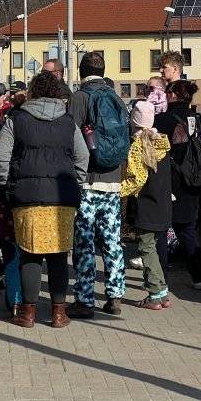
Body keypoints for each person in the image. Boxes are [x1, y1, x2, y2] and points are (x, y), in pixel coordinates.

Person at [0, 72, 88, 329]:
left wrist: (6, 185)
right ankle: (58, 314)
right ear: (59, 93)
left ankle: (28, 314)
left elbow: (1, 157)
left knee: (30, 255)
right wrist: (76, 182)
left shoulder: (17, 118)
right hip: (63, 197)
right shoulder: (69, 122)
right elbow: (82, 157)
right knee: (58, 256)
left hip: (27, 197)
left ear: (33, 91)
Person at [66, 52, 128, 319]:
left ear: (81, 71)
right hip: (113, 182)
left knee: (85, 242)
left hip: (87, 184)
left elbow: (69, 138)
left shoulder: (79, 98)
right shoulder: (116, 99)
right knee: (113, 240)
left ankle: (85, 298)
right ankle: (115, 295)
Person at [155, 79, 201, 290]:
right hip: (192, 178)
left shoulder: (163, 120)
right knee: (187, 229)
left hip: (169, 179)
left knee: (160, 229)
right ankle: (199, 277)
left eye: (168, 92)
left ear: (174, 95)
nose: (166, 96)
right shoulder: (195, 118)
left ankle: (161, 279)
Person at [124, 100, 173, 309]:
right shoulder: (161, 142)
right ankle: (162, 291)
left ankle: (154, 293)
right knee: (152, 245)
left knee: (146, 248)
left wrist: (117, 191)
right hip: (162, 202)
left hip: (146, 204)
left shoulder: (138, 146)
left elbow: (136, 179)